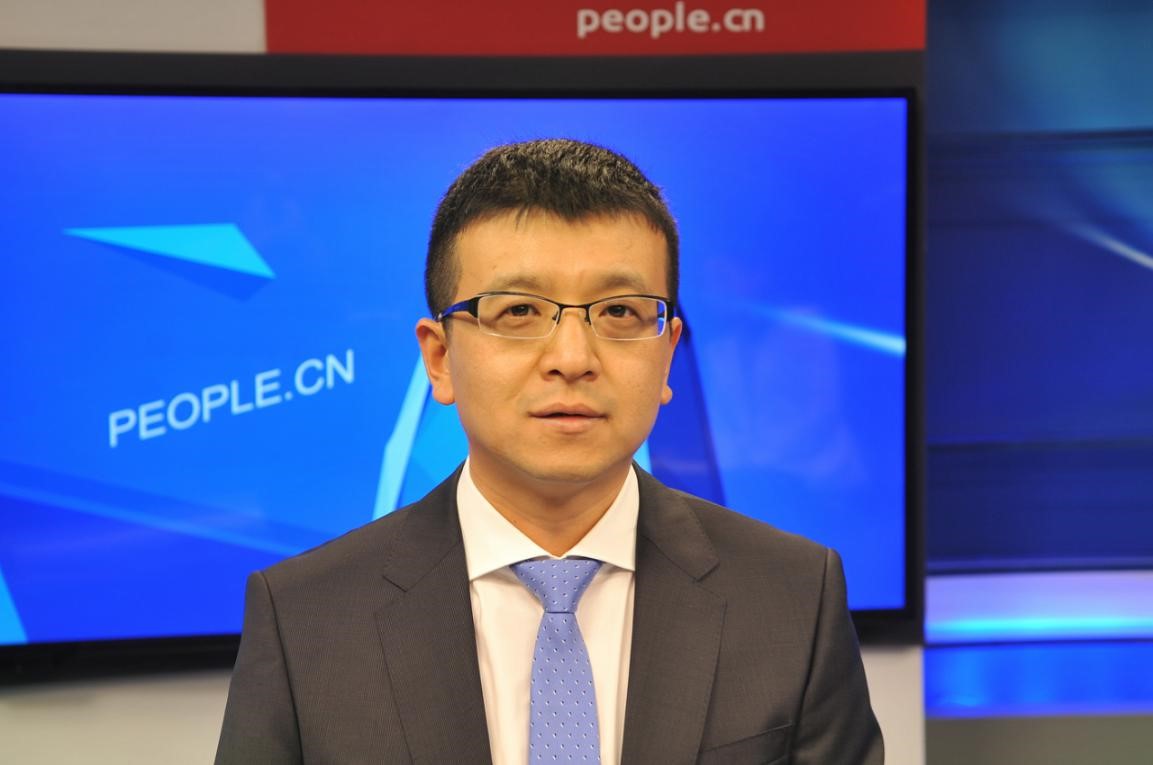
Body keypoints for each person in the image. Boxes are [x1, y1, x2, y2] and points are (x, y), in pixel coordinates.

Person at [215, 139, 883, 764]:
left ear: (667, 353)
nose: (571, 358)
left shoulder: (793, 598)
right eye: (518, 312)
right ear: (440, 358)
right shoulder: (304, 618)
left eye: (619, 312)